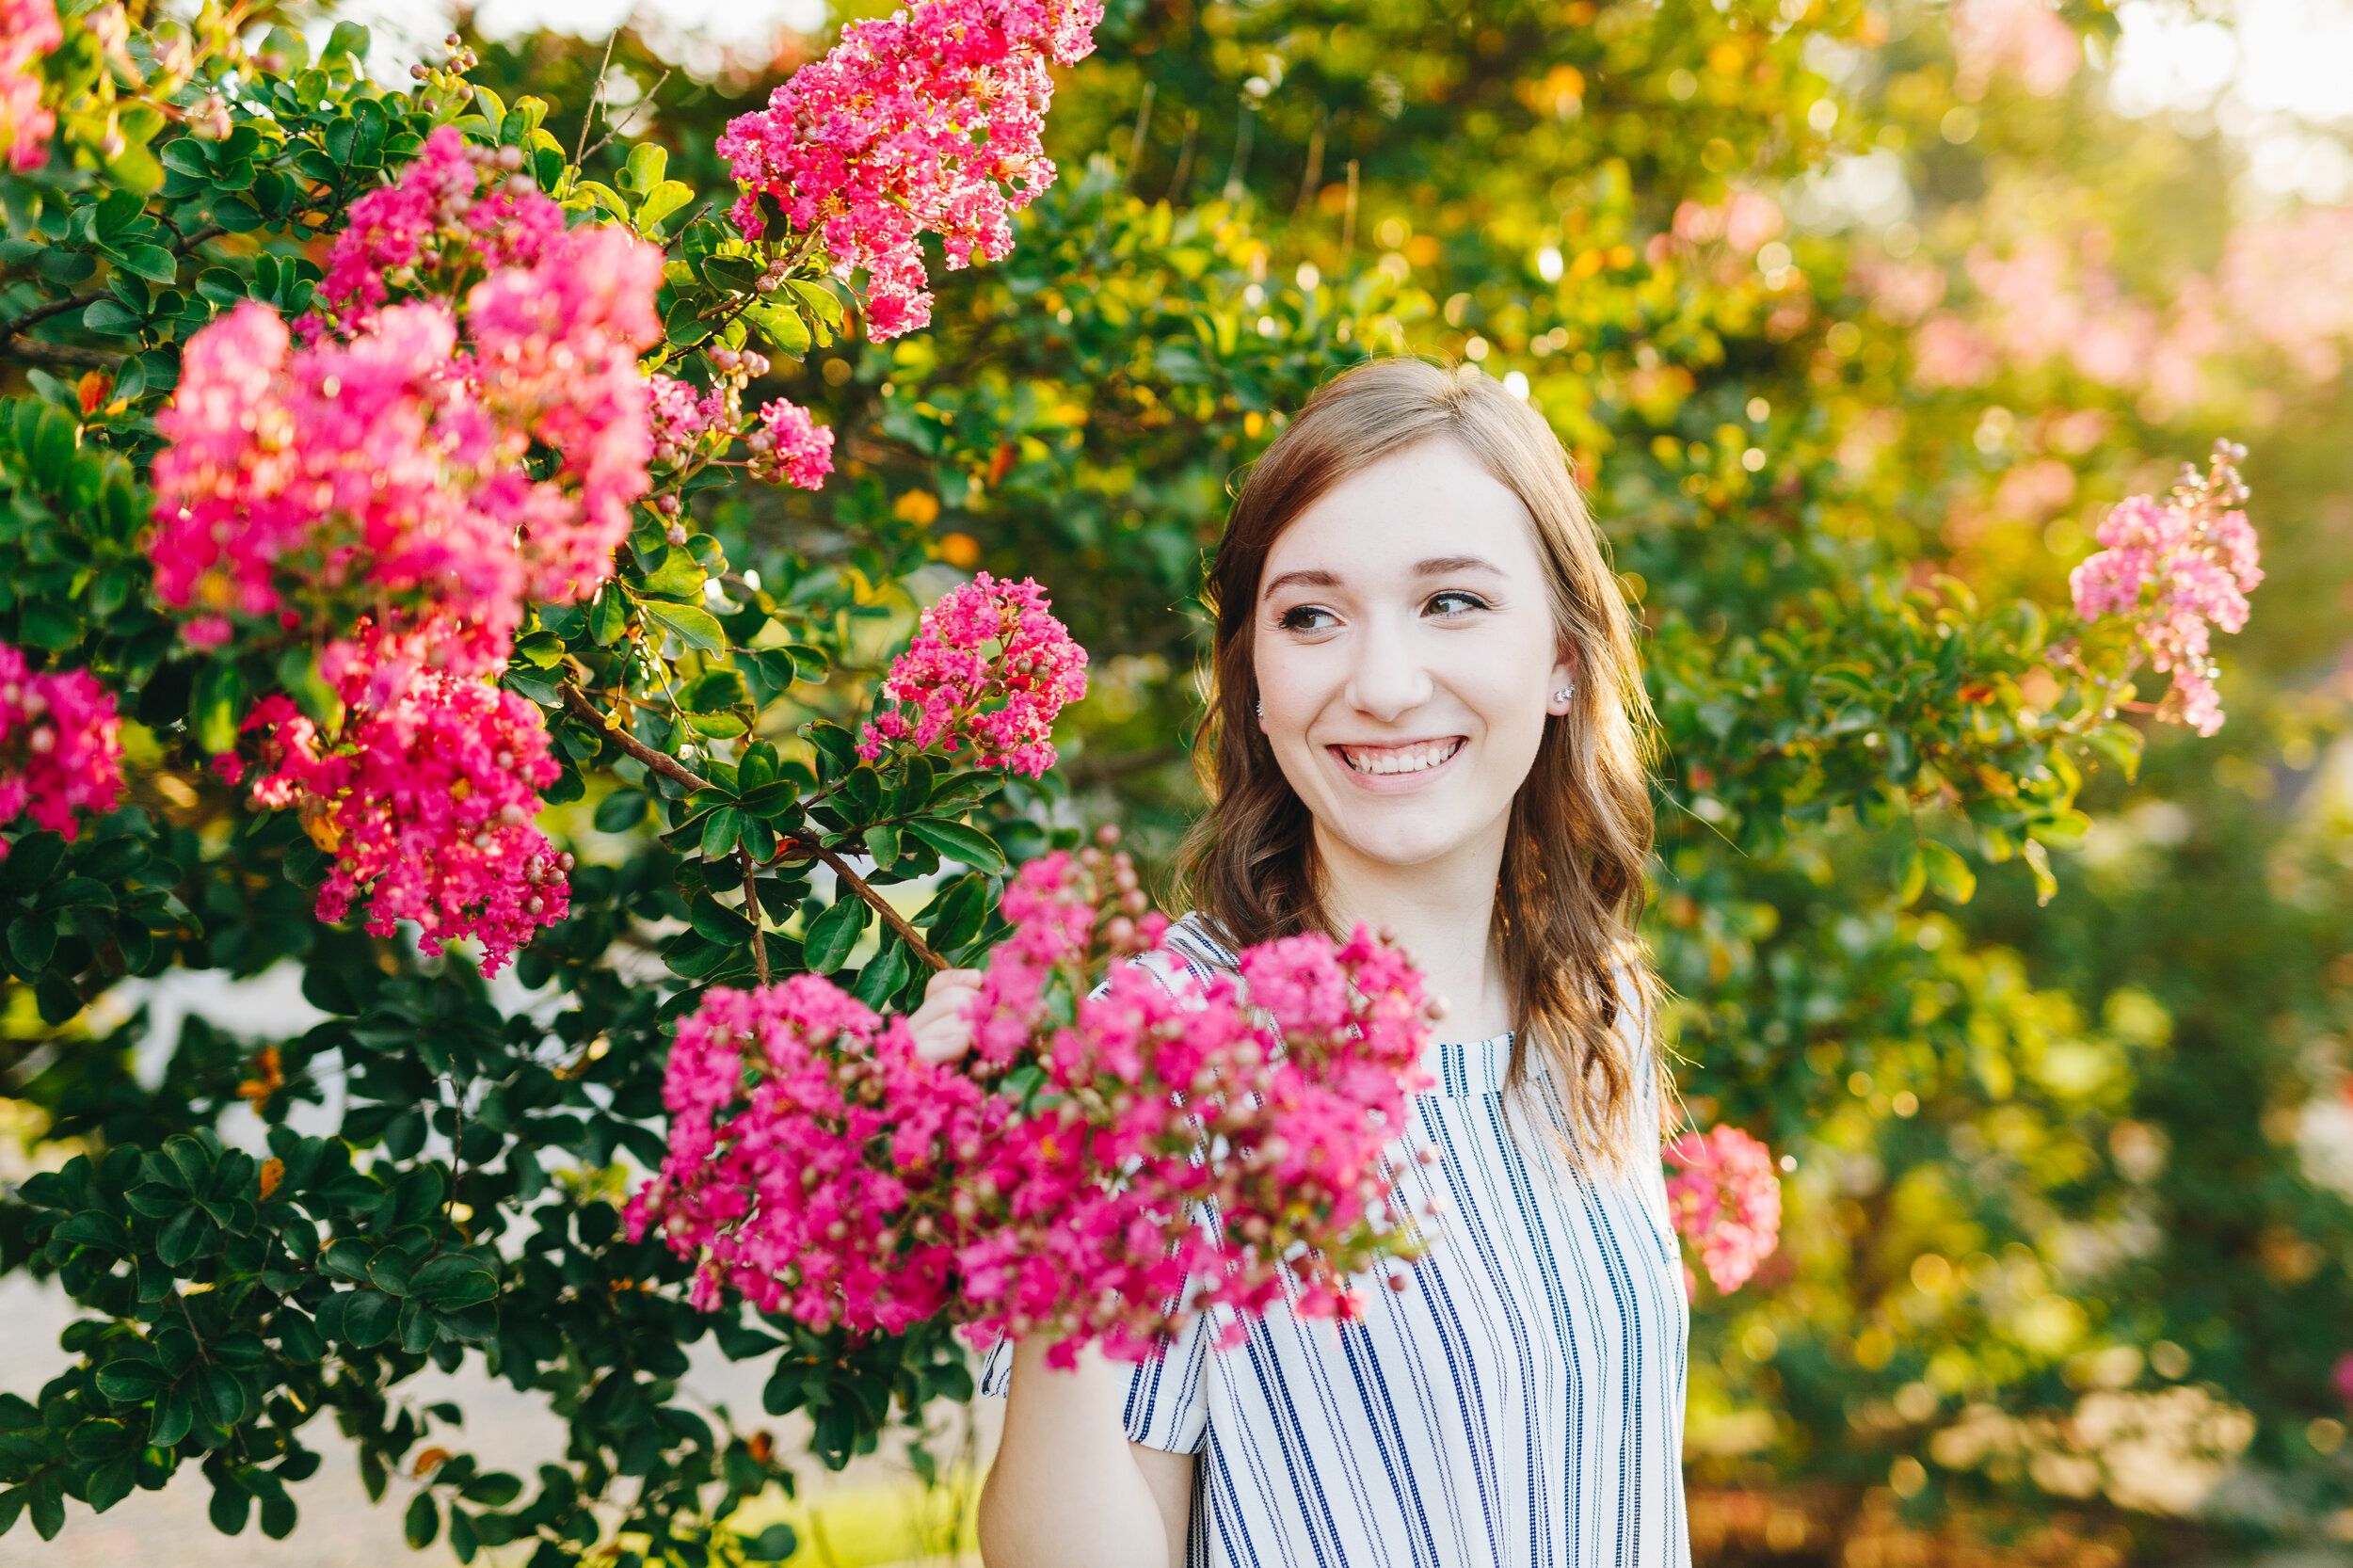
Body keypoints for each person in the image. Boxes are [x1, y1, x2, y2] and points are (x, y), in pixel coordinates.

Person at [907, 357, 1689, 1568]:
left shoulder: (1594, 1010)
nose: (1379, 684)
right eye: (1310, 615)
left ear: (1563, 659)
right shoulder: (1168, 1044)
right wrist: (1057, 1231)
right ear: (1258, 683)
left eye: (1451, 603)